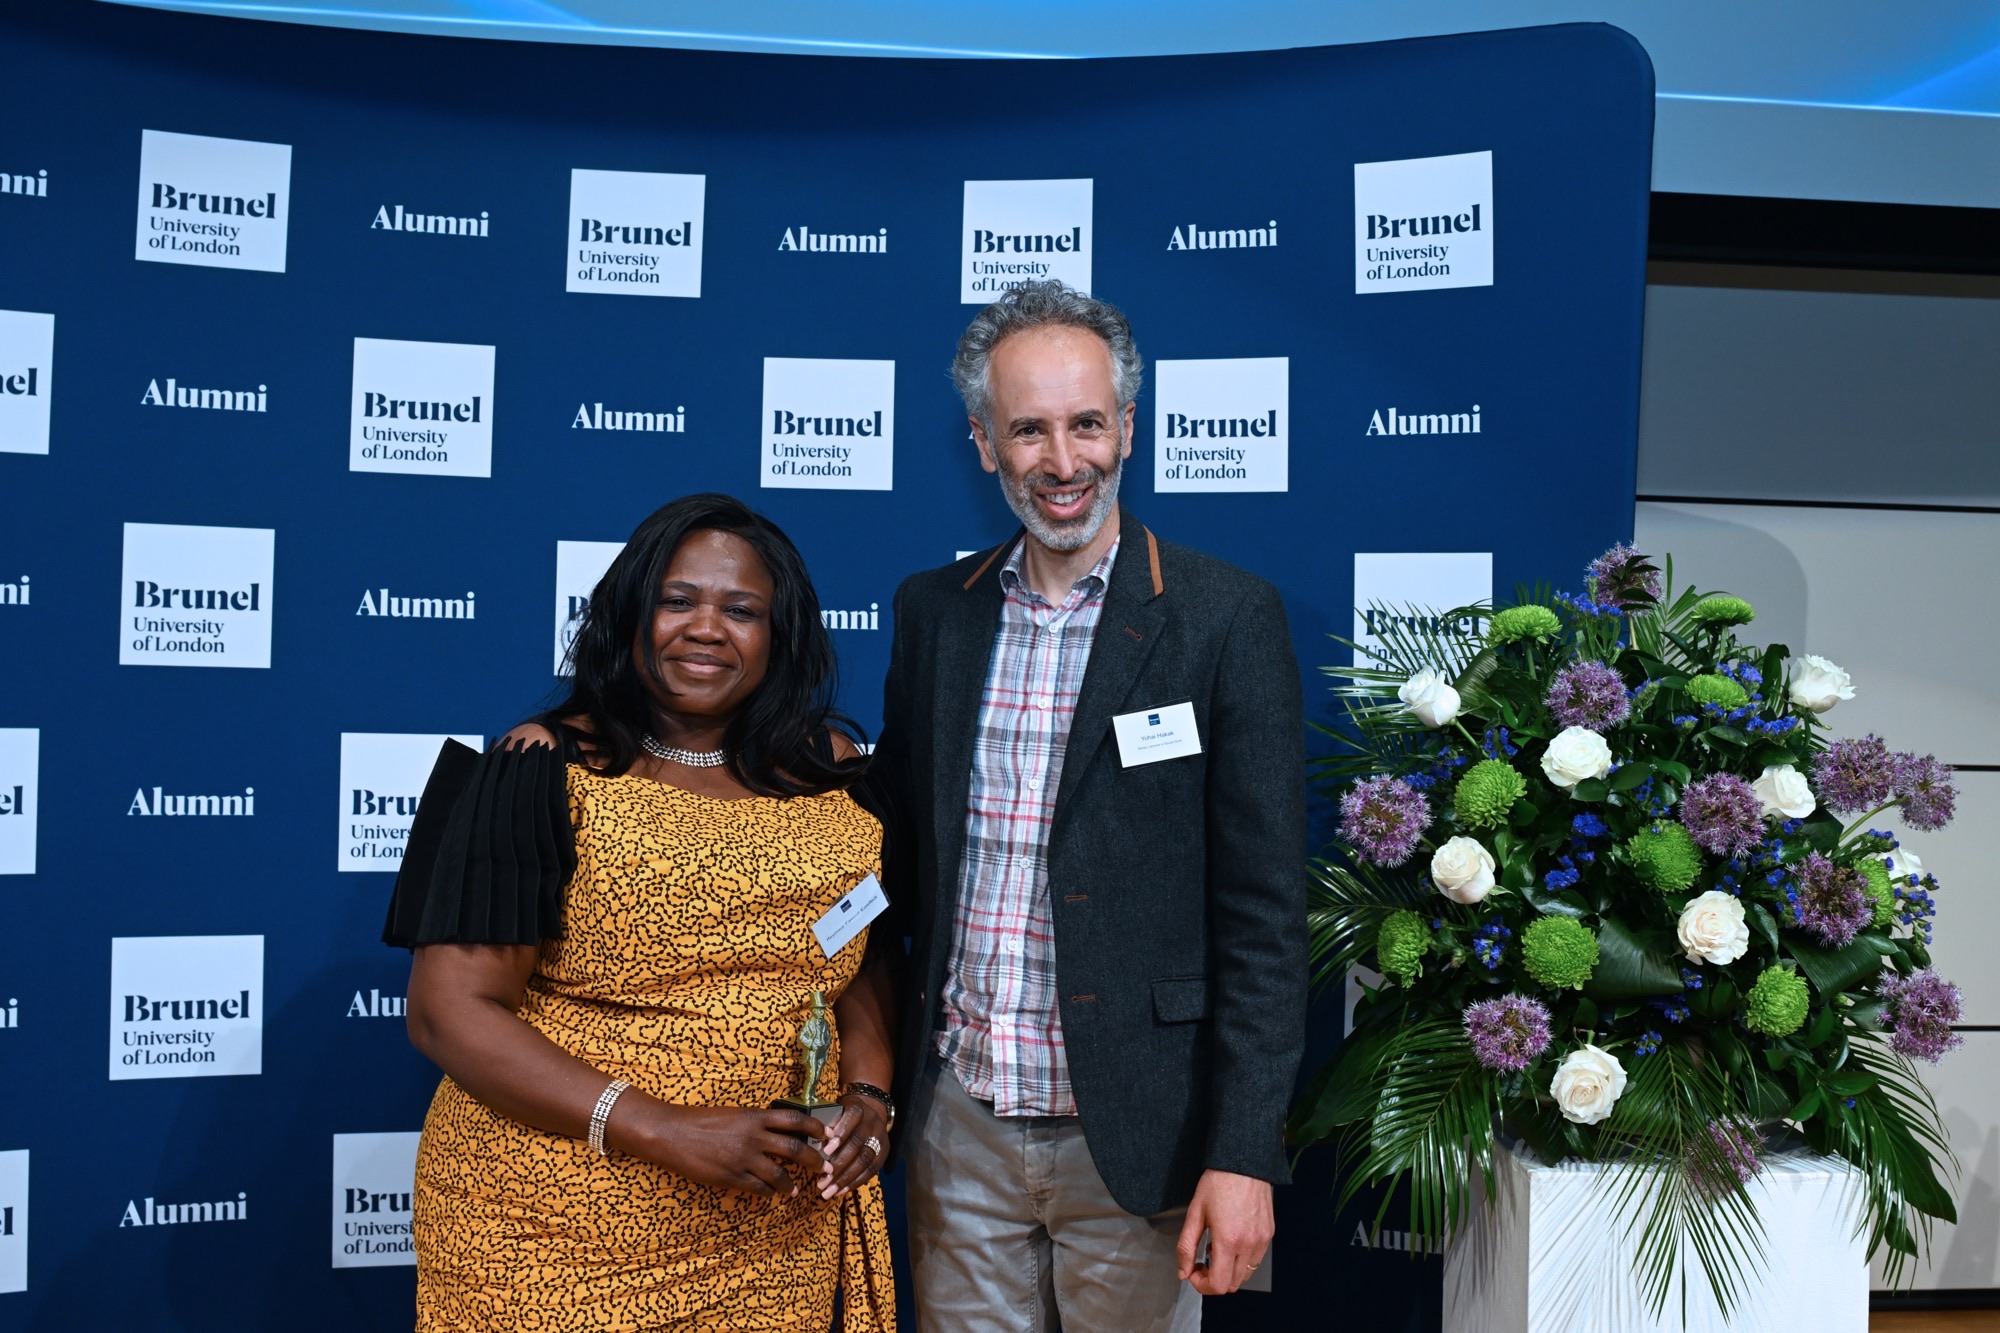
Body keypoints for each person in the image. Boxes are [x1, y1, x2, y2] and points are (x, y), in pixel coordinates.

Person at [873, 281, 1307, 1332]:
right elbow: (889, 850)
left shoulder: (1222, 617)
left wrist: (1242, 1153)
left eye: (1085, 424)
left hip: (1143, 1136)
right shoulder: (936, 612)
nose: (1062, 462)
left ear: (1128, 427)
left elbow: (1262, 919)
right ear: (983, 443)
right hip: (959, 1126)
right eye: (1028, 429)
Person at [384, 493, 899, 1333]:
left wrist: (870, 1095)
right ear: (630, 615)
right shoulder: (542, 765)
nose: (707, 627)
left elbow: (860, 959)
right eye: (678, 599)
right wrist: (665, 1127)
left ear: (780, 635)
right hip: (551, 1230)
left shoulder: (833, 769)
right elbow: (449, 1012)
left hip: (770, 1236)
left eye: (742, 609)